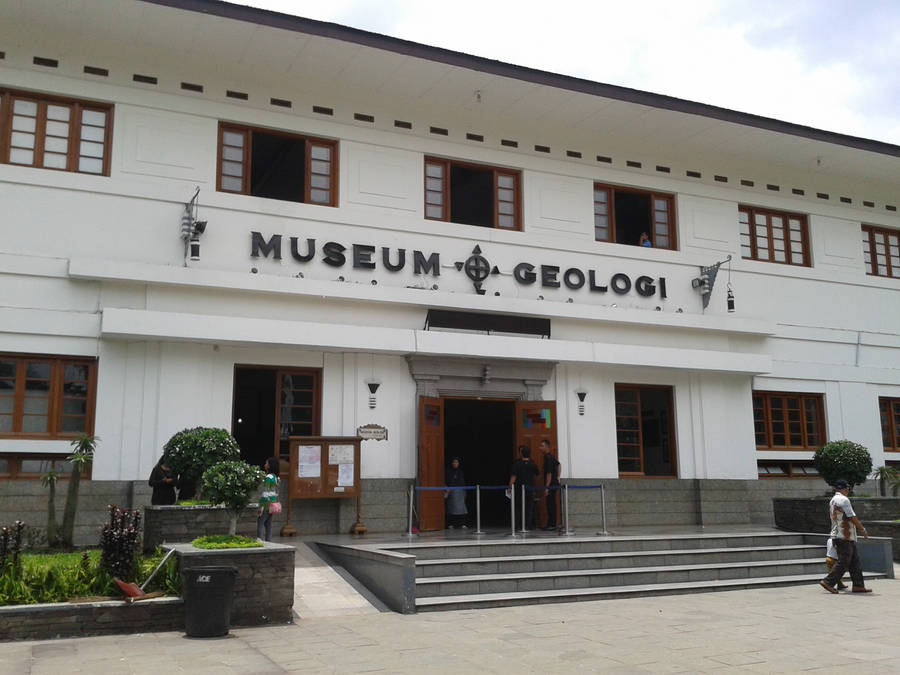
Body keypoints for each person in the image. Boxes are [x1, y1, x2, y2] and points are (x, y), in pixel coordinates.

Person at [819, 479, 871, 594]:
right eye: (848, 488)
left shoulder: (833, 500)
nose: (848, 490)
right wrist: (862, 529)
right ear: (845, 488)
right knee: (844, 561)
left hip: (841, 535)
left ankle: (858, 585)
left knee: (854, 561)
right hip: (844, 536)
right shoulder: (843, 500)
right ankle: (828, 582)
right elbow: (852, 517)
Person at [510, 445, 539, 530]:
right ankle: (528, 525)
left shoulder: (517, 464)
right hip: (530, 488)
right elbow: (537, 475)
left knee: (518, 508)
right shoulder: (533, 464)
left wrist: (510, 486)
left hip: (519, 489)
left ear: (521, 453)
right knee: (529, 508)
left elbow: (513, 477)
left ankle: (517, 526)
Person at [257, 456, 280, 542]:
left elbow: (266, 492)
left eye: (266, 463)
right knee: (268, 523)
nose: (265, 465)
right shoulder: (275, 477)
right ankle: (268, 541)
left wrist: (261, 505)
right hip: (273, 502)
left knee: (260, 522)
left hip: (266, 502)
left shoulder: (268, 477)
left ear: (270, 465)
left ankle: (259, 540)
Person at [541, 440, 561, 530]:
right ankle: (551, 524)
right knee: (551, 503)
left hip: (551, 484)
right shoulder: (551, 457)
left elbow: (549, 473)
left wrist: (547, 487)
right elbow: (559, 464)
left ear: (547, 447)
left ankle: (552, 524)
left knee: (550, 504)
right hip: (553, 483)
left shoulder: (548, 458)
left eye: (542, 446)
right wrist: (558, 476)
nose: (540, 448)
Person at [444, 456, 468, 529]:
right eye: (454, 462)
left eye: (457, 462)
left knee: (462, 508)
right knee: (451, 508)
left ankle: (462, 523)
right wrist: (446, 488)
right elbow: (445, 481)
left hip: (460, 491)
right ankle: (450, 524)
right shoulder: (448, 471)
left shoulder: (460, 471)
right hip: (451, 492)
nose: (455, 463)